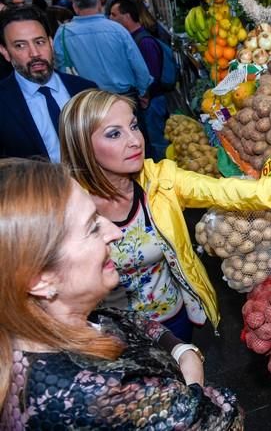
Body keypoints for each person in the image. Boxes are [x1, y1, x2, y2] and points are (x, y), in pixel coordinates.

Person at [60, 89, 271, 341]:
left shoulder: (160, 180)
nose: (135, 140)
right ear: (82, 145)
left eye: (134, 126)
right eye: (114, 134)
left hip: (172, 317)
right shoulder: (65, 208)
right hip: (106, 331)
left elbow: (230, 191)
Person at [0, 158, 243, 428]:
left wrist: (180, 348)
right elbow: (223, 416)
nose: (115, 233)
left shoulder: (44, 324)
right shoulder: (91, 395)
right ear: (40, 280)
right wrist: (191, 374)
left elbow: (122, 321)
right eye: (92, 227)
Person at [0, 5, 95, 161]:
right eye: (20, 45)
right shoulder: (3, 102)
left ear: (50, 42)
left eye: (39, 42)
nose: (35, 53)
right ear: (5, 51)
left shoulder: (86, 89)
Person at [54, 0, 152, 109]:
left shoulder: (63, 33)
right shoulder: (117, 29)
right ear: (99, 4)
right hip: (124, 98)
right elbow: (138, 65)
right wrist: (143, 92)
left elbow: (62, 69)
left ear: (75, 7)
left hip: (90, 102)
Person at [110, 0, 169, 161]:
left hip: (153, 101)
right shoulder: (132, 39)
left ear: (127, 16)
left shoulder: (144, 41)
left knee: (158, 143)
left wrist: (145, 95)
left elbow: (153, 75)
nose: (111, 19)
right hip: (148, 100)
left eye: (114, 15)